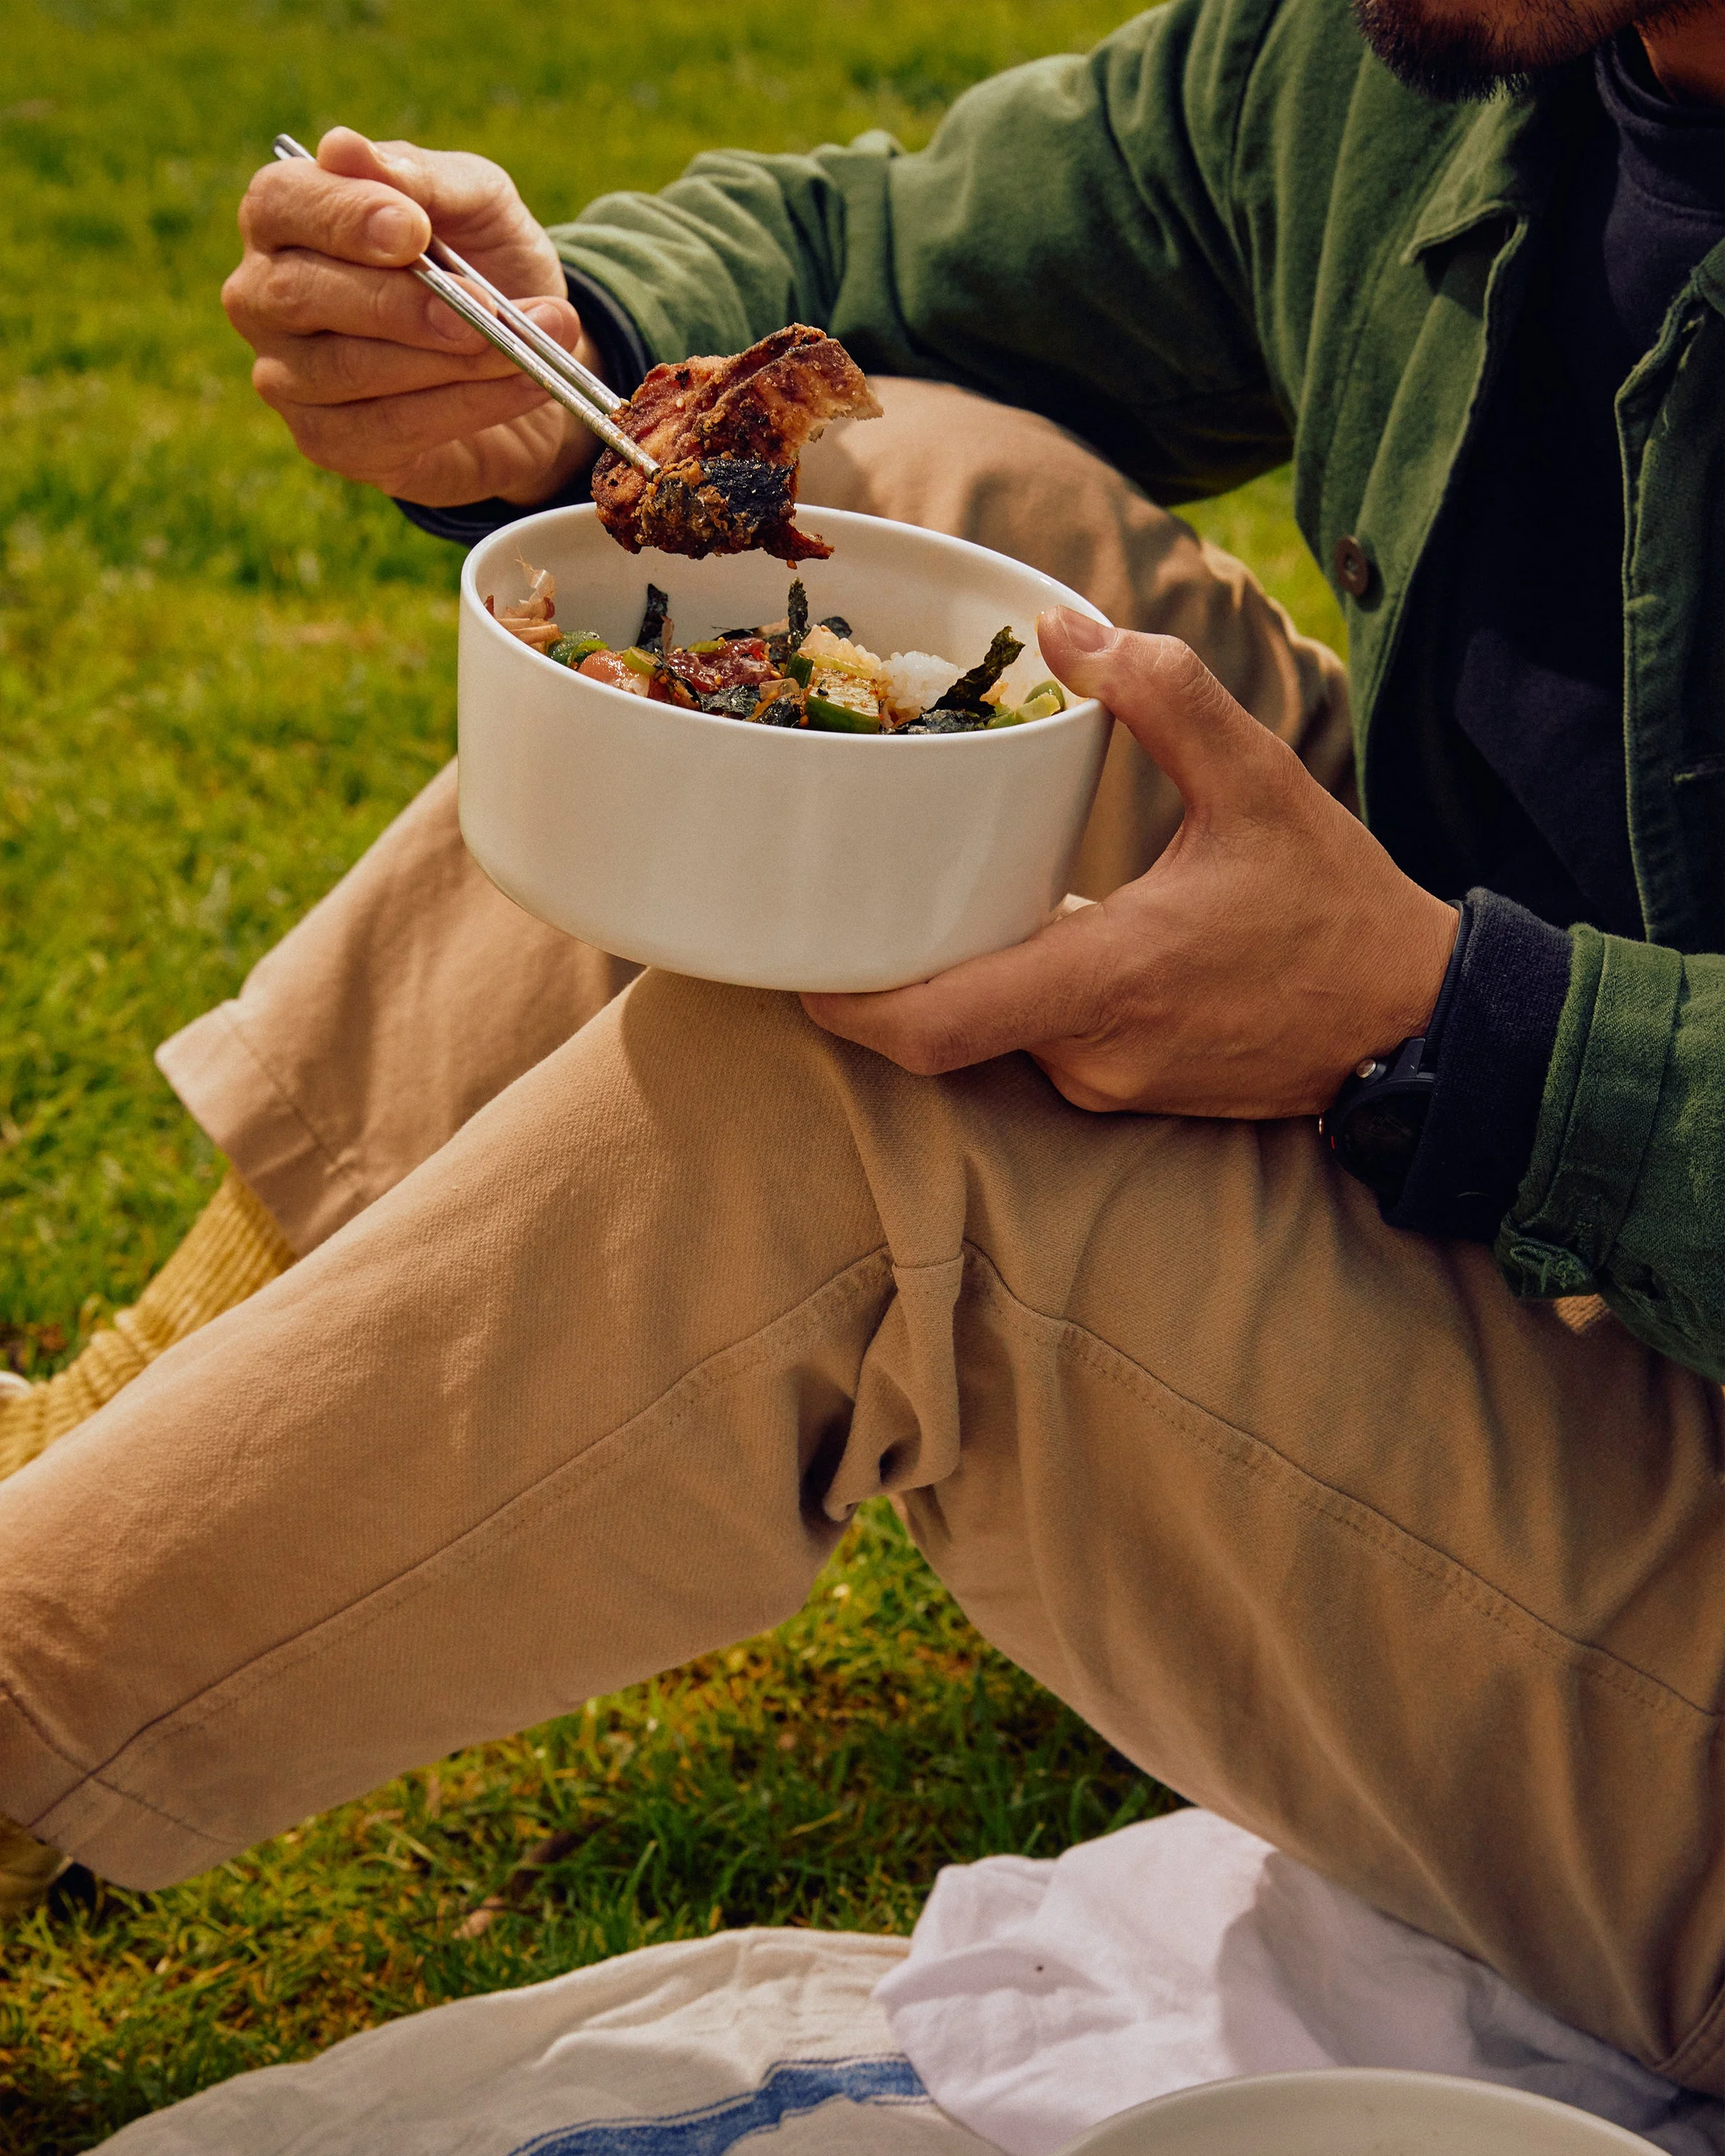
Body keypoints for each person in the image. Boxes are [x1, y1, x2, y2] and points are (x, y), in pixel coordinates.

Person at [4, 0, 1725, 2099]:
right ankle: (103, 1439)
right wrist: (563, 341)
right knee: (864, 506)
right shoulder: (1436, 49)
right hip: (1537, 1223)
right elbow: (908, 258)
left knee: (877, 1134)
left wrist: (1463, 1028)